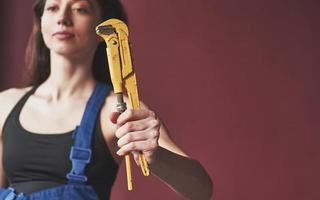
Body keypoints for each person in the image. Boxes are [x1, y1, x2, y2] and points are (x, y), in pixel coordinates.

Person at [0, 0, 213, 199]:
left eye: (79, 9)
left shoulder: (119, 109)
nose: (63, 18)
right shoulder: (6, 104)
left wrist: (155, 155)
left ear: (103, 24)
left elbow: (201, 190)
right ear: (41, 20)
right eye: (53, 7)